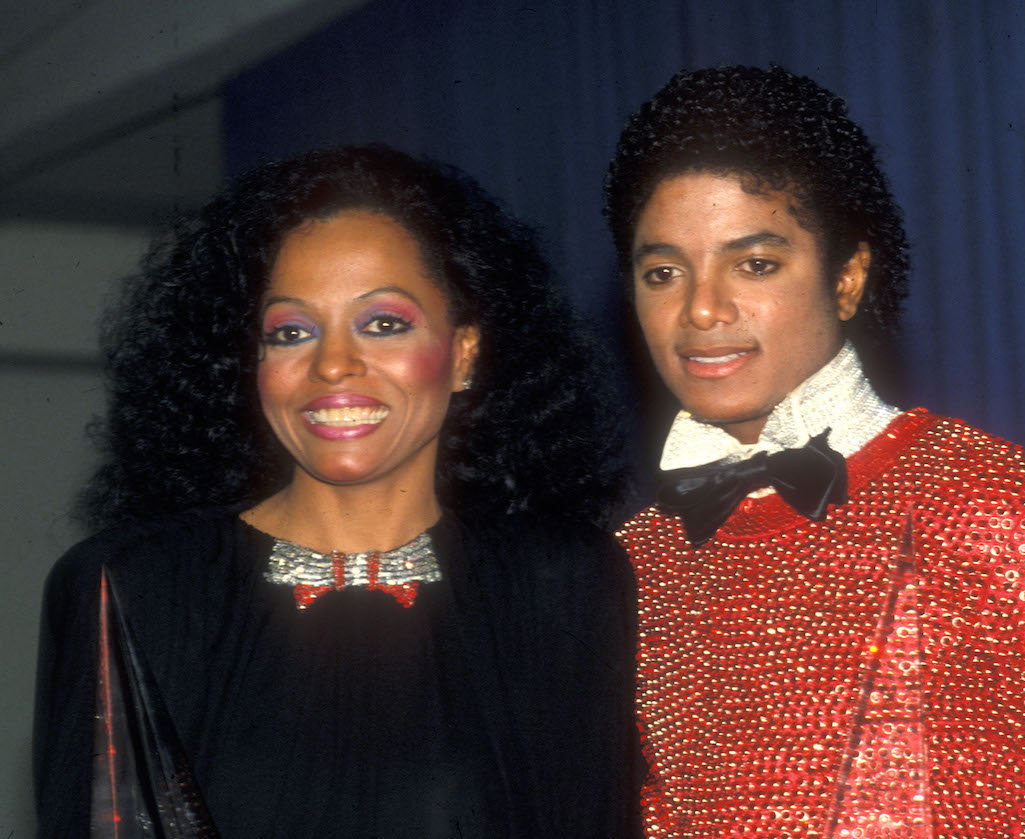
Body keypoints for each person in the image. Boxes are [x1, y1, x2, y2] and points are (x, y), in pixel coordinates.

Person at [604, 66, 1025, 837]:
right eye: (664, 273)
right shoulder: (628, 564)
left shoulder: (1020, 509)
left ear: (847, 277)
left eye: (755, 263)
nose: (703, 307)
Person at [35, 145, 641, 837]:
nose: (332, 364)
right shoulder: (133, 586)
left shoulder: (562, 582)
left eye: (383, 323)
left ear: (464, 354)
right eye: (292, 331)